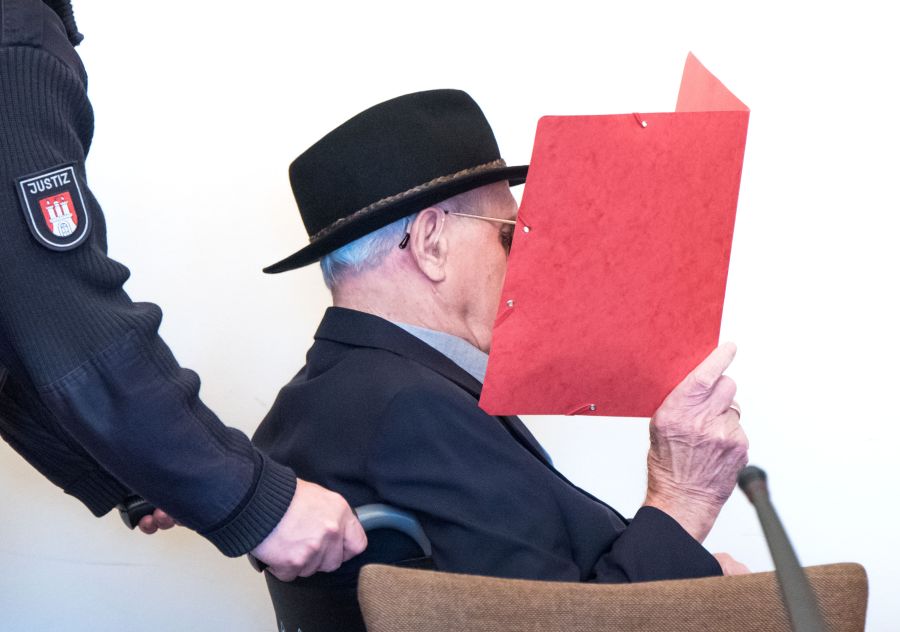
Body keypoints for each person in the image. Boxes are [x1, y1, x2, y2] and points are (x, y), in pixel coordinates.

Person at [252, 88, 750, 583]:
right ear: (431, 245)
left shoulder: (326, 396)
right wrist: (682, 500)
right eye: (509, 233)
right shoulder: (412, 410)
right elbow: (558, 625)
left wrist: (694, 577)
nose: (525, 260)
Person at [0, 0, 366, 581]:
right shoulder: (14, 41)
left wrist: (138, 470)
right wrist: (254, 499)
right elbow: (54, 303)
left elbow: (14, 328)